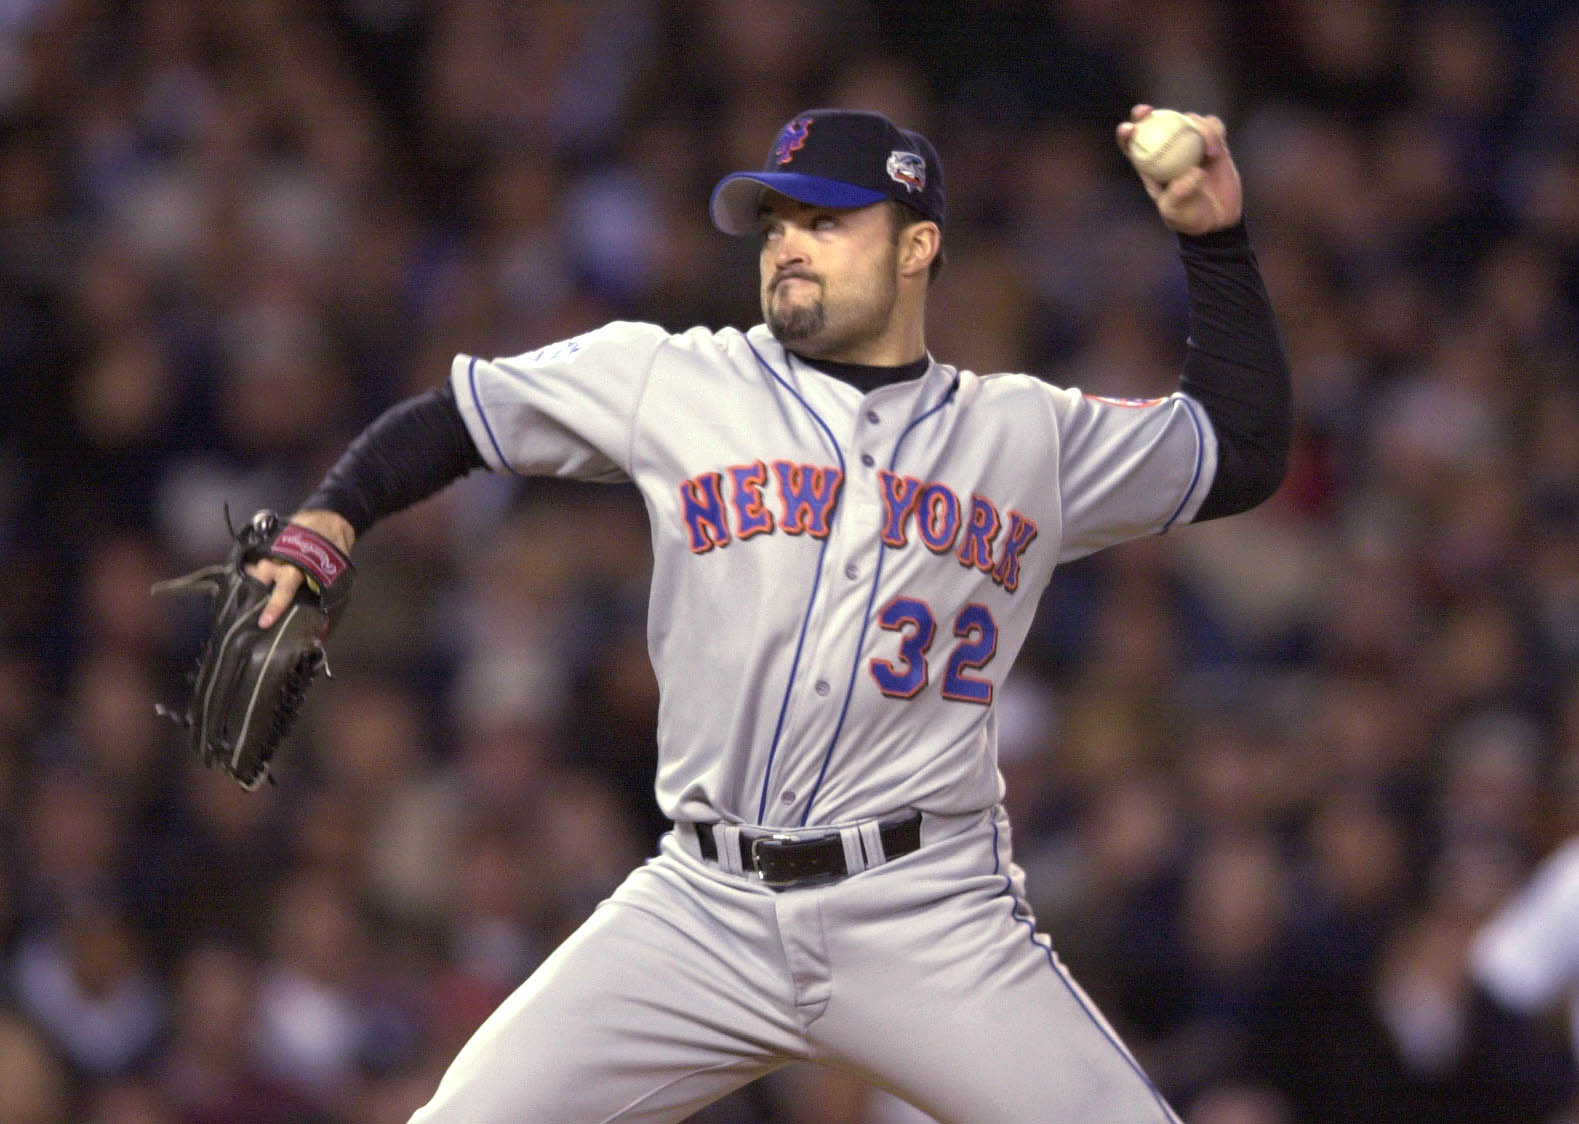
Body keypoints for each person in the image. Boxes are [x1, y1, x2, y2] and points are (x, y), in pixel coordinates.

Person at [252, 104, 1289, 1123]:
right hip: (704, 902)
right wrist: (335, 512)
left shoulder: (1025, 433)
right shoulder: (671, 377)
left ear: (917, 245)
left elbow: (1235, 450)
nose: (788, 245)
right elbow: (460, 416)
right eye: (776, 224)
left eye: (826, 221)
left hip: (928, 909)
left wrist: (1213, 242)